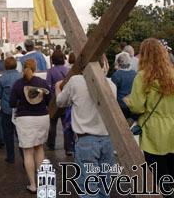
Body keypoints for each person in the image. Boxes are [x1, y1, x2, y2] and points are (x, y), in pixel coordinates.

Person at [56, 58, 117, 198]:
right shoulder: (111, 84)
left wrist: (57, 88)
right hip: (108, 139)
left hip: (86, 140)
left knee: (88, 187)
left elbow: (60, 102)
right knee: (104, 184)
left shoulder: (76, 81)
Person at [124, 38, 174, 183]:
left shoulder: (142, 77)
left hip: (153, 132)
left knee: (159, 178)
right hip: (172, 129)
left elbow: (138, 106)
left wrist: (129, 101)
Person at [10, 59, 51, 193]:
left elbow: (12, 103)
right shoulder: (42, 82)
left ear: (23, 68)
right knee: (39, 149)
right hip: (42, 117)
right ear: (35, 68)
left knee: (28, 152)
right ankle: (42, 182)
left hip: (25, 119)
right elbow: (49, 99)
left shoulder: (17, 84)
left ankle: (33, 185)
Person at [0, 56, 21, 163]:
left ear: (5, 66)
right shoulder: (21, 76)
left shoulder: (2, 78)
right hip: (20, 110)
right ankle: (25, 157)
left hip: (6, 109)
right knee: (20, 134)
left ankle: (11, 157)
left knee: (8, 134)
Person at [46, 51, 73, 155]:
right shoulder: (68, 70)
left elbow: (48, 85)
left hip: (54, 100)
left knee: (52, 123)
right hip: (66, 100)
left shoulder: (50, 71)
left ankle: (51, 144)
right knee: (66, 124)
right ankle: (68, 147)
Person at [111, 52, 136, 119]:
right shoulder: (134, 73)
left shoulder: (116, 75)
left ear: (119, 62)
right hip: (132, 103)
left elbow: (112, 91)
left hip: (121, 105)